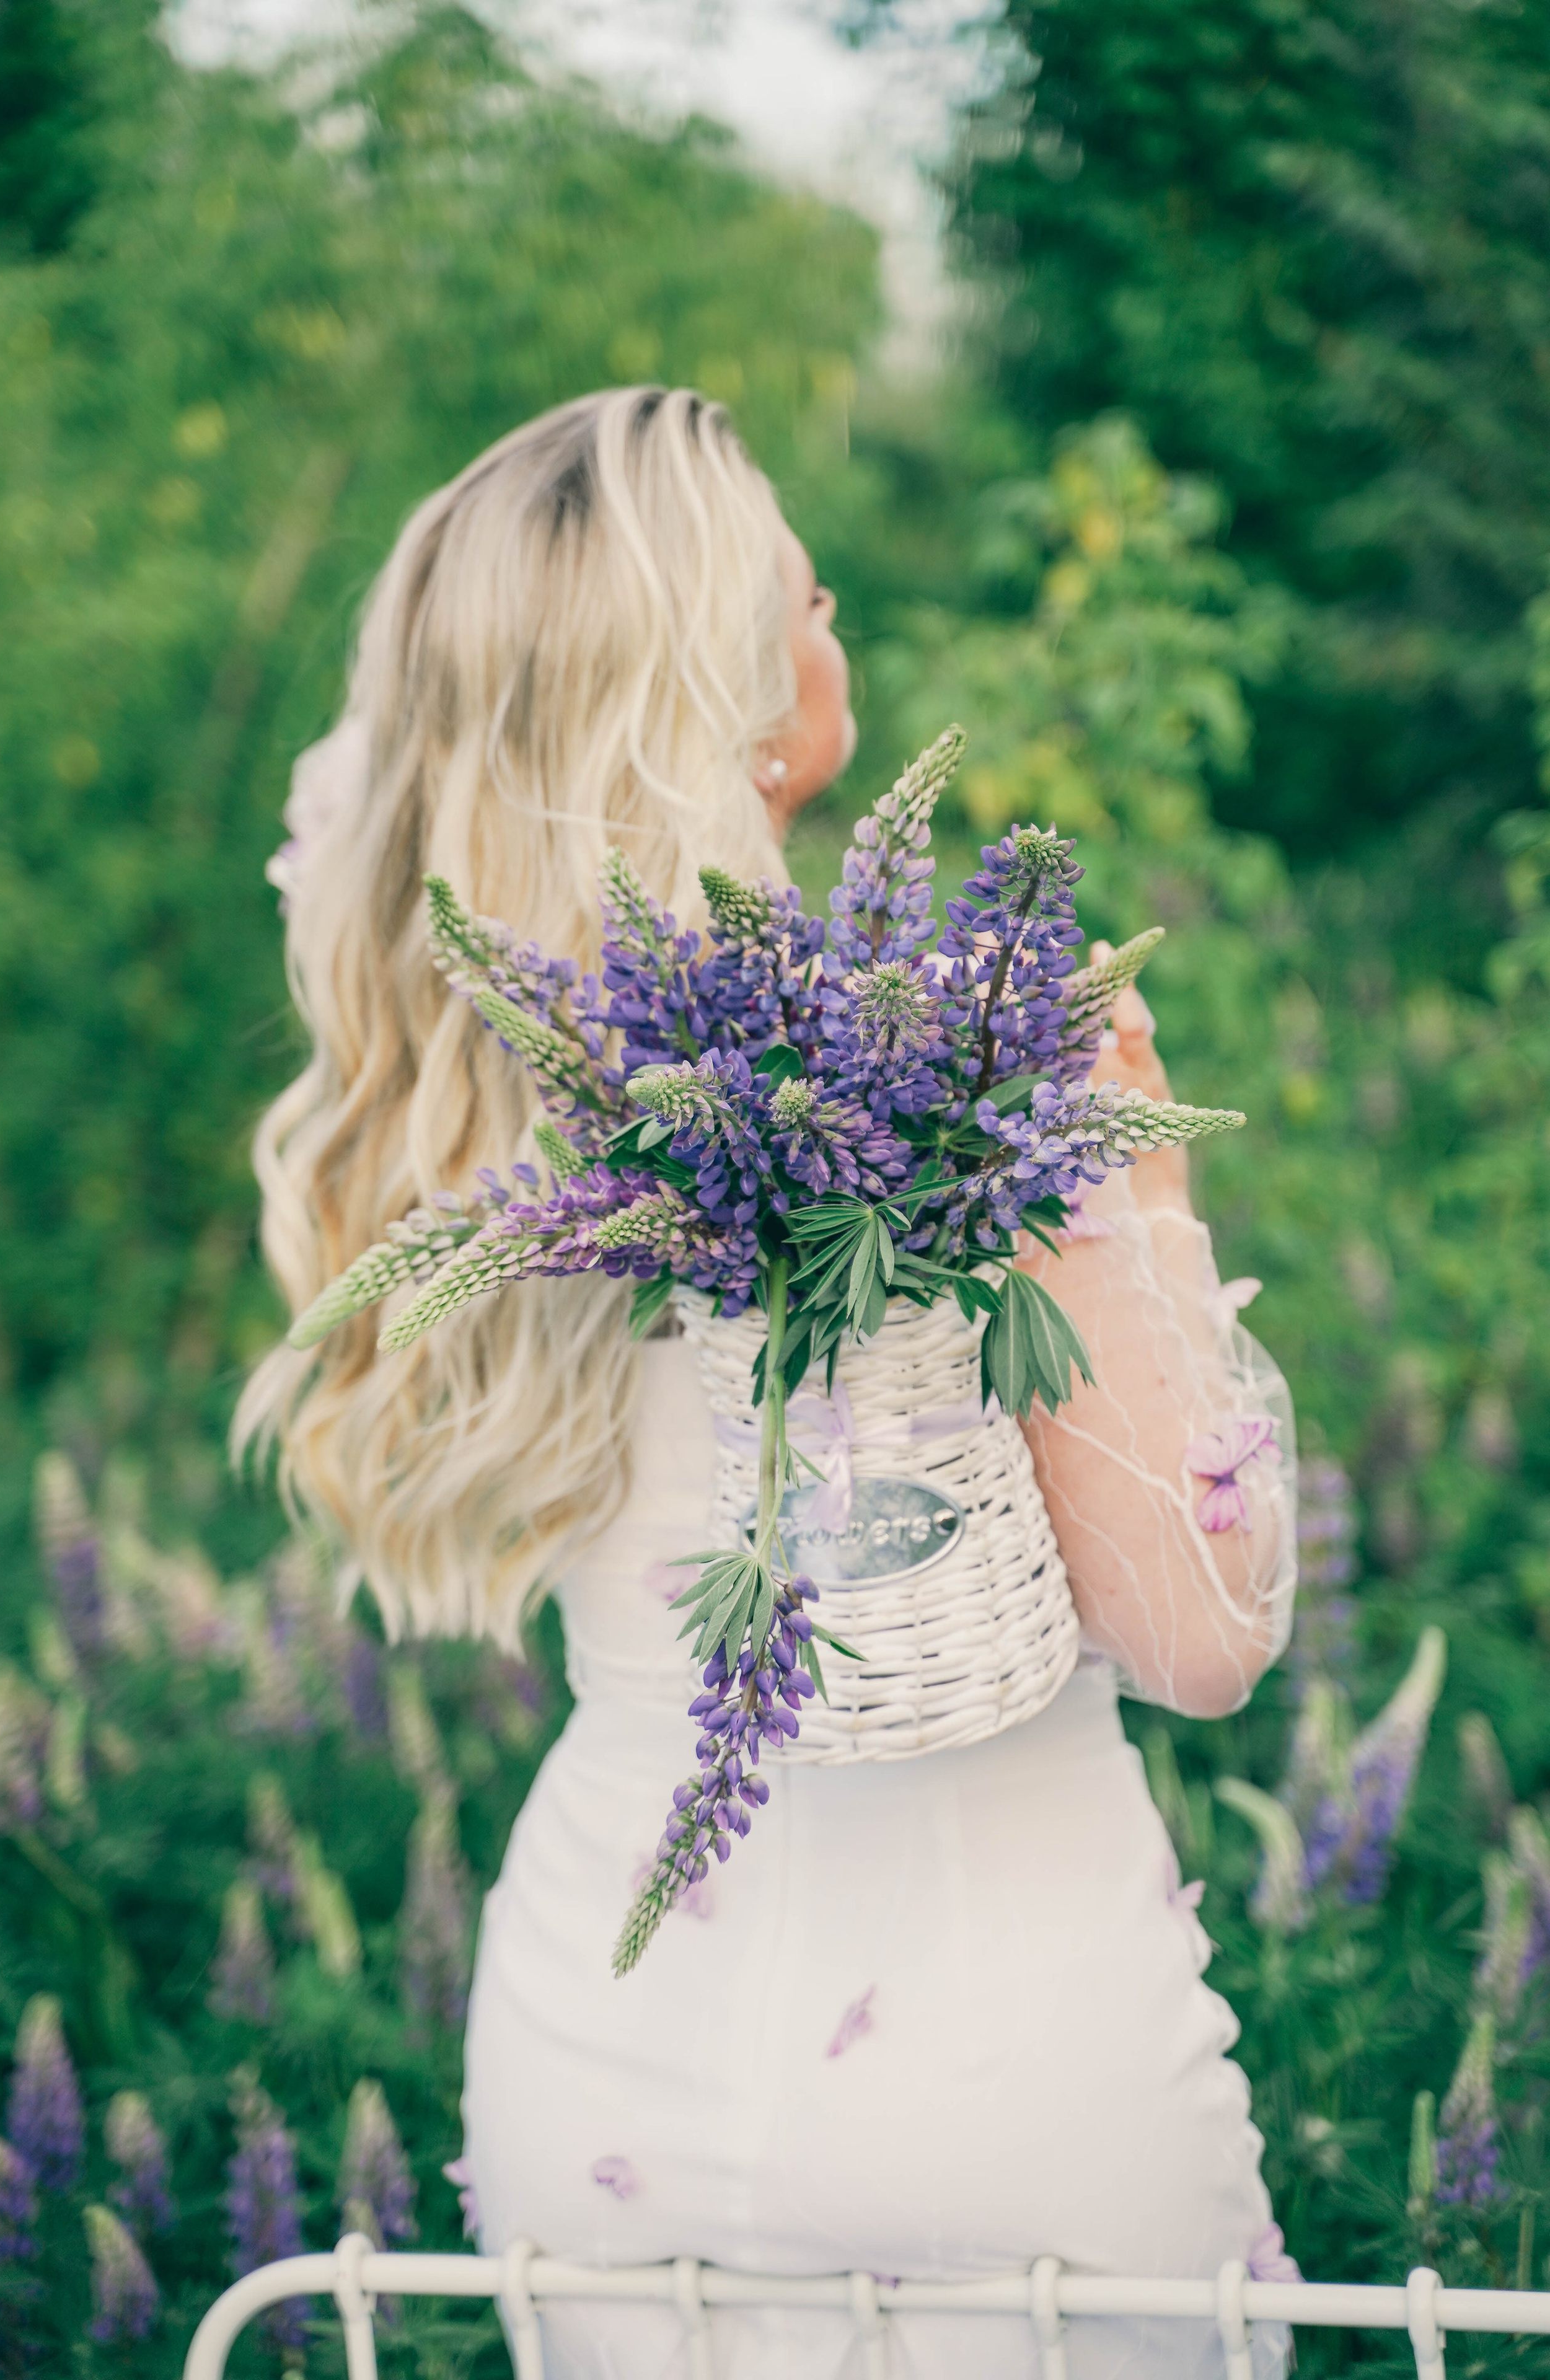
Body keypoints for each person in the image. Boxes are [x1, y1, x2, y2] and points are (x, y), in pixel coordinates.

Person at [239, 387, 1299, 2378]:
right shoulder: (979, 1061)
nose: (834, 612)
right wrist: (1139, 1179)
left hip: (597, 2061)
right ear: (726, 698)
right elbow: (1203, 1633)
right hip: (1011, 2068)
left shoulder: (473, 1096)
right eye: (792, 593)